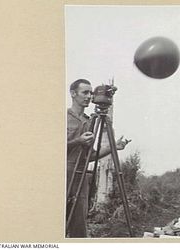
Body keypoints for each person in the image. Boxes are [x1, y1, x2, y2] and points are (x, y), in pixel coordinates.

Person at [66, 79, 129, 238]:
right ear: (73, 94)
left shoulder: (89, 122)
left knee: (79, 225)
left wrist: (114, 147)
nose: (89, 96)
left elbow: (91, 156)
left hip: (81, 177)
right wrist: (77, 141)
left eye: (91, 92)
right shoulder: (63, 117)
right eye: (84, 92)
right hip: (62, 174)